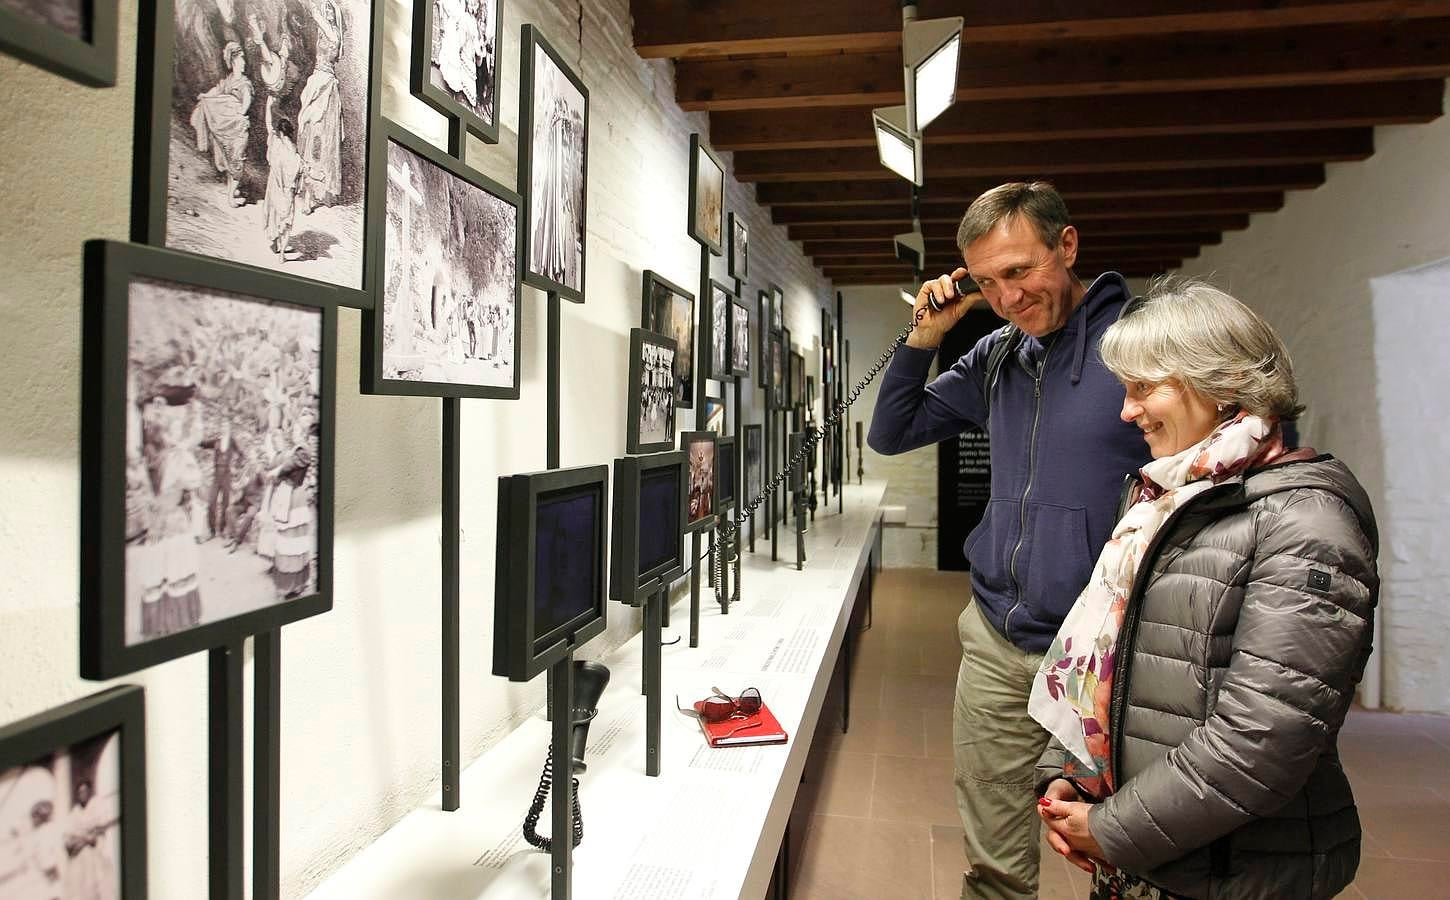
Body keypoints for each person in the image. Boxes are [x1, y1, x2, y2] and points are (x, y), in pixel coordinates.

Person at [1032, 278, 1377, 899]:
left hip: (1234, 873)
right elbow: (1118, 661)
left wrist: (1113, 828)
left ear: (1218, 387)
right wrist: (1076, 773)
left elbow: (1263, 740)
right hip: (1150, 853)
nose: (1126, 411)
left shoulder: (1305, 523)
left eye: (1144, 389)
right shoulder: (1164, 501)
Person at [867, 182, 1151, 899]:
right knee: (993, 859)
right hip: (997, 640)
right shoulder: (999, 354)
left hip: (1110, 653)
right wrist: (926, 336)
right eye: (988, 281)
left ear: (1068, 245)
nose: (1007, 297)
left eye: (1020, 271)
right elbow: (892, 432)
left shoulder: (1146, 343)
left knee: (1125, 851)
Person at [190, 41, 253, 208]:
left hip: (238, 127)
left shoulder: (245, 83)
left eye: (244, 60)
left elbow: (246, 103)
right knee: (228, 158)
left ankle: (231, 195)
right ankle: (232, 193)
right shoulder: (229, 80)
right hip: (227, 127)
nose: (244, 63)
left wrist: (238, 113)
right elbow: (217, 91)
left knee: (236, 160)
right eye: (241, 60)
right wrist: (205, 96)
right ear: (233, 63)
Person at [296, 0, 344, 212]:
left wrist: (316, 9)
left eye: (330, 10)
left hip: (326, 87)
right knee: (308, 133)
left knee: (322, 138)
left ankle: (317, 191)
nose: (327, 12)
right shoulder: (323, 32)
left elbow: (317, 15)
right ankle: (307, 190)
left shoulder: (333, 34)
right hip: (316, 82)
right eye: (326, 9)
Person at [262, 94, 304, 261]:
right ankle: (281, 255)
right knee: (286, 221)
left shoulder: (276, 144)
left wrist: (268, 105)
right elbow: (301, 174)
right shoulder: (296, 156)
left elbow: (267, 124)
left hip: (274, 188)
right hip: (287, 192)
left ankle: (275, 244)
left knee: (273, 214)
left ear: (280, 132)